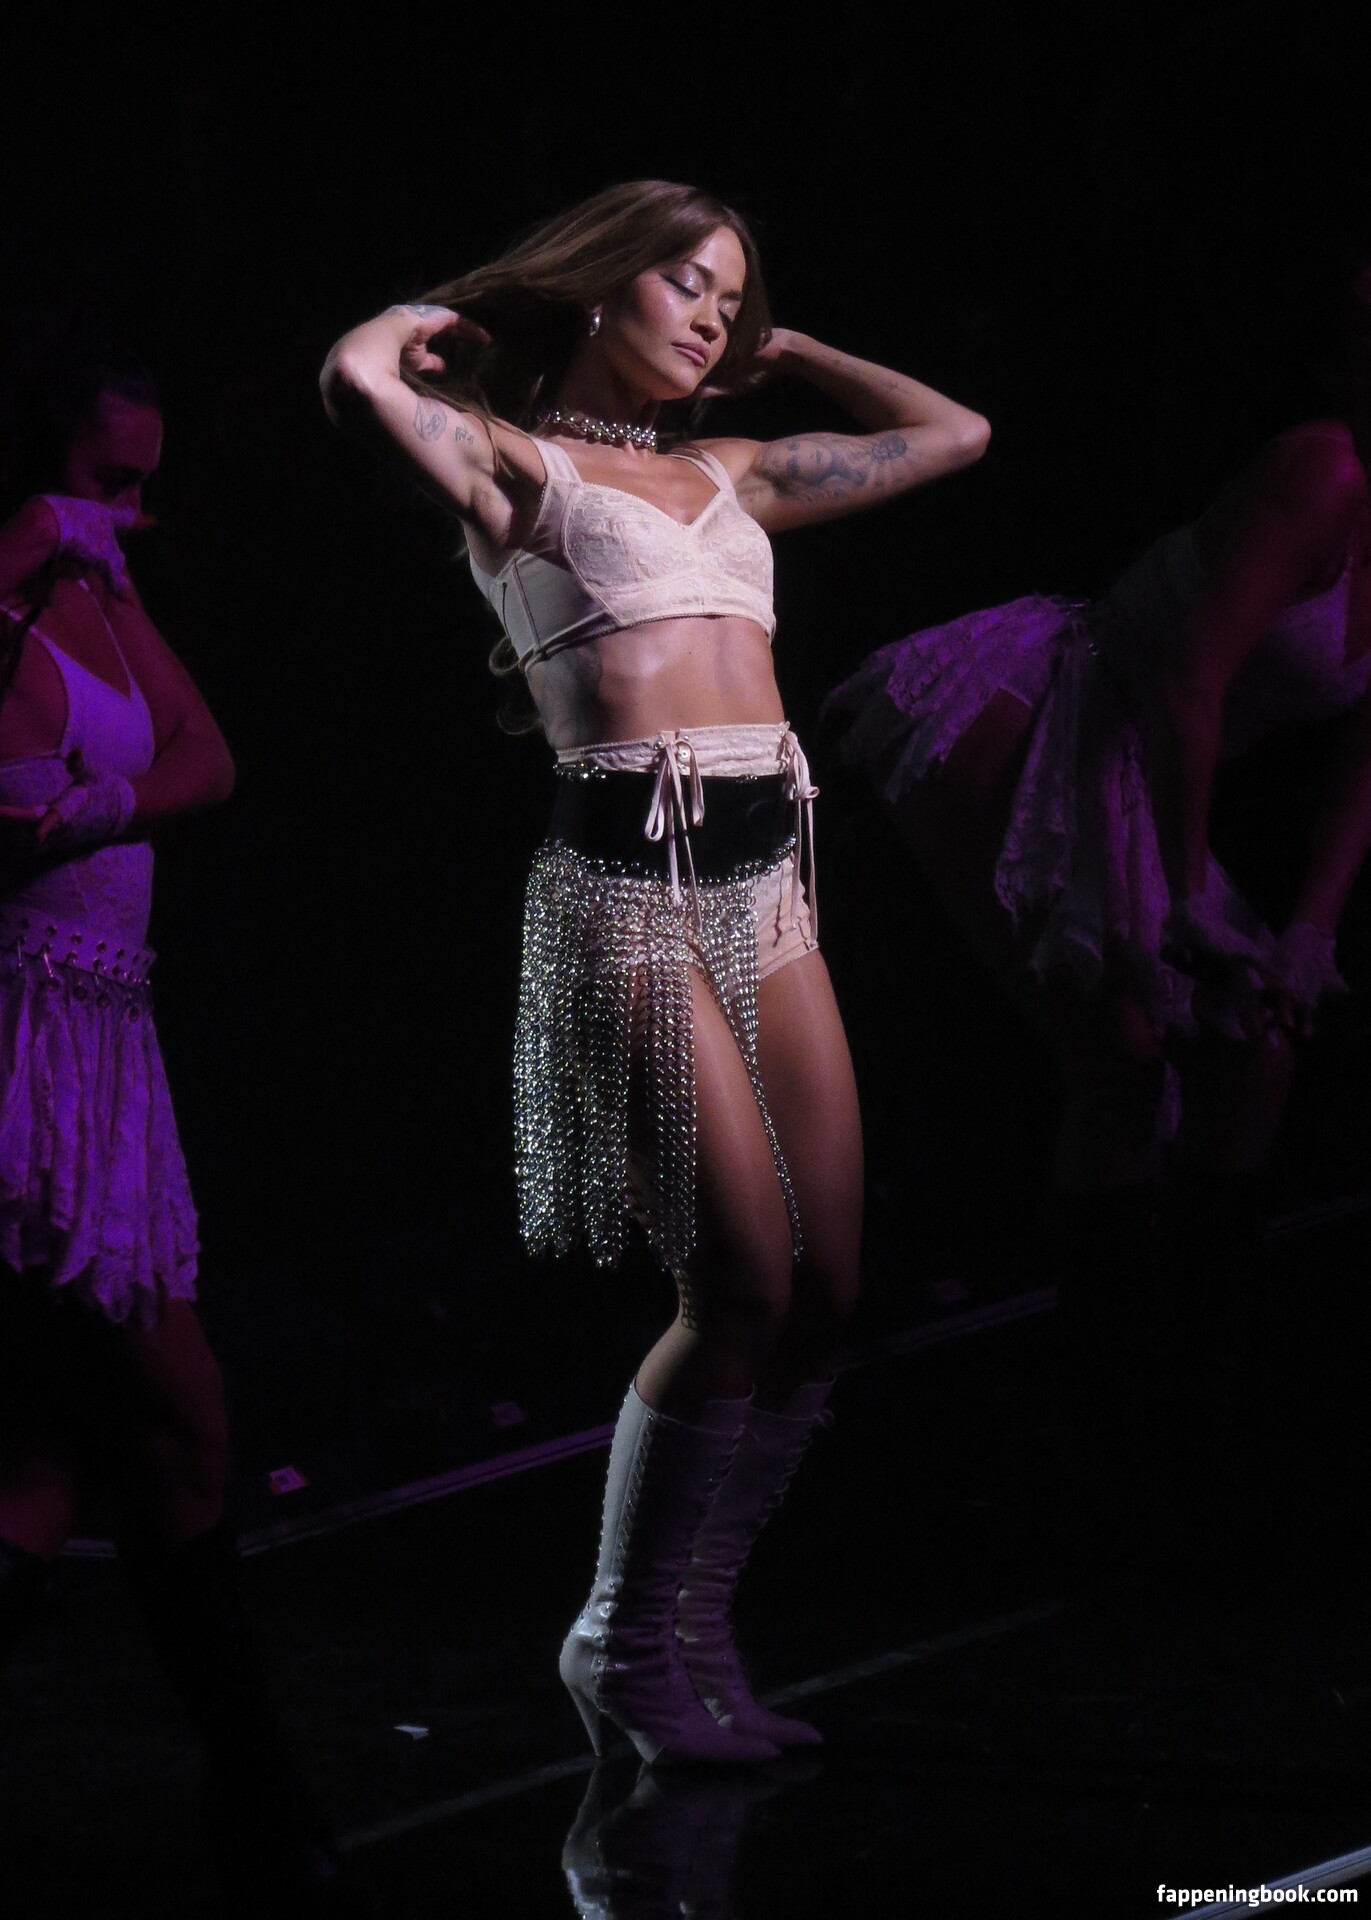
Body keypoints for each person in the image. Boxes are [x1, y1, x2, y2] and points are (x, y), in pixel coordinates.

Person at [321, 180, 989, 1764]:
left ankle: (691, 1630)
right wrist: (440, 320)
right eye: (685, 283)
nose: (709, 317)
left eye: (729, 297)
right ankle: (621, 1642)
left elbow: (954, 434)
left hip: (768, 882)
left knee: (827, 1288)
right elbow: (355, 375)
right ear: (602, 284)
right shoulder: (511, 466)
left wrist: (789, 348)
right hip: (628, 888)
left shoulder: (728, 471)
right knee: (739, 1281)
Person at [823, 342, 1371, 1508]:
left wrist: (1313, 932)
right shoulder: (1326, 472)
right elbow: (1188, 685)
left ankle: (1196, 1394)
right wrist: (1185, 901)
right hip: (1046, 709)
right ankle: (1102, 1419)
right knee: (1121, 1052)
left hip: (1142, 766)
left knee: (1260, 1052)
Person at [0, 320, 347, 1907]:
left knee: (51, 1461)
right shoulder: (17, 590)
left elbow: (210, 758)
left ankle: (253, 1800)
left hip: (106, 1045)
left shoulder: (102, 591)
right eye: (105, 480)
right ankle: (262, 1796)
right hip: (21, 1043)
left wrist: (103, 803)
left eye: (144, 486)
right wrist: (20, 555)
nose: (129, 514)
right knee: (174, 1422)